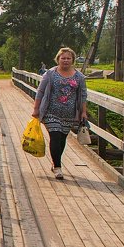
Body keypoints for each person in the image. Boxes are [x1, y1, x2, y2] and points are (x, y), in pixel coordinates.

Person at [31, 46, 88, 180]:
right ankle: (58, 167)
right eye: (63, 58)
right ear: (58, 59)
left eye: (68, 58)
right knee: (55, 137)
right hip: (51, 112)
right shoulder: (50, 74)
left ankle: (55, 162)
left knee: (62, 140)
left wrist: (83, 112)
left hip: (69, 113)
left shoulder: (79, 77)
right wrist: (36, 109)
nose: (66, 61)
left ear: (73, 60)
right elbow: (40, 91)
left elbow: (83, 95)